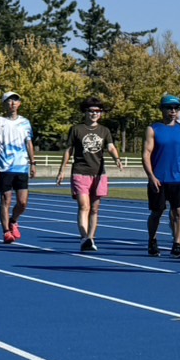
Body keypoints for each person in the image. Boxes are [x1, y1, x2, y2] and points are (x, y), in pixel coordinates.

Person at [55, 98, 121, 253]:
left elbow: (111, 147)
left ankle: (91, 238)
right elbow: (69, 150)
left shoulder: (104, 130)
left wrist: (117, 158)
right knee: (84, 206)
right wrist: (62, 170)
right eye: (91, 111)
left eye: (97, 111)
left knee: (95, 208)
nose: (94, 114)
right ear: (85, 112)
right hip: (80, 172)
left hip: (99, 174)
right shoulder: (76, 129)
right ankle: (84, 238)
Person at [142, 95, 180, 258]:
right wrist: (151, 176)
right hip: (159, 178)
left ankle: (177, 245)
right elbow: (146, 154)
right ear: (162, 109)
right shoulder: (153, 129)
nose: (173, 111)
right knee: (157, 212)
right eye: (169, 108)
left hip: (179, 179)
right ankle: (152, 240)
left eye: (176, 108)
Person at [0, 90, 36, 244]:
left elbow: (28, 143)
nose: (13, 103)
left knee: (22, 202)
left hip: (21, 166)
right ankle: (6, 232)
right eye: (9, 100)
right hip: (5, 166)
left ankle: (13, 220)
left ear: (19, 104)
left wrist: (33, 163)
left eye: (15, 100)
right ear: (4, 104)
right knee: (6, 199)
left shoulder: (25, 122)